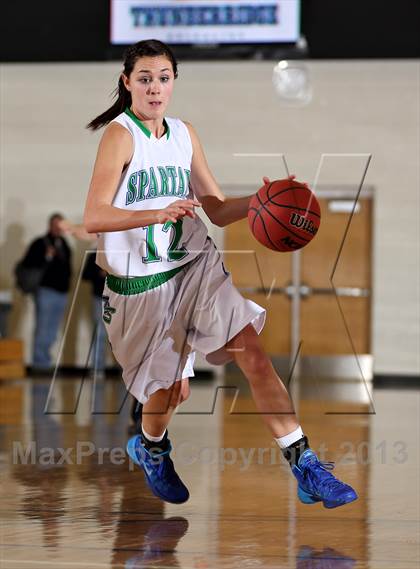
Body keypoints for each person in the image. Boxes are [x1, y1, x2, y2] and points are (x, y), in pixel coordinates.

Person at [83, 39, 357, 508]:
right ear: (128, 83)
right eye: (145, 79)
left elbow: (215, 208)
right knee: (169, 393)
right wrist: (155, 214)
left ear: (173, 83)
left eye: (163, 79)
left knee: (252, 351)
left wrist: (262, 201)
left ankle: (305, 464)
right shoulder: (119, 135)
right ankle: (150, 448)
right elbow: (94, 217)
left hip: (194, 265)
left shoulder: (185, 133)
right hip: (139, 287)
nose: (154, 88)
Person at [21, 213, 71, 372]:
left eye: (60, 225)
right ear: (50, 225)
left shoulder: (64, 243)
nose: (57, 228)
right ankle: (39, 363)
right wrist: (46, 257)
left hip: (62, 292)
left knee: (53, 329)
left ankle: (45, 361)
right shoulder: (39, 243)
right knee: (43, 327)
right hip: (46, 291)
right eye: (55, 225)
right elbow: (28, 264)